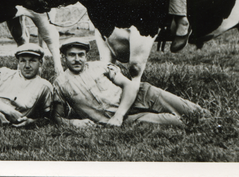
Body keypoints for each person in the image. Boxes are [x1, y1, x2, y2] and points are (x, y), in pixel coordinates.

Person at [52, 38, 205, 128]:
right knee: (175, 122)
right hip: (118, 119)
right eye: (71, 55)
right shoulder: (60, 83)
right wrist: (73, 123)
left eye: (81, 55)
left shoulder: (99, 66)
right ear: (63, 57)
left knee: (193, 111)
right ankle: (198, 126)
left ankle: (214, 122)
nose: (77, 59)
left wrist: (119, 115)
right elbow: (57, 116)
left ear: (86, 56)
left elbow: (129, 85)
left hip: (140, 95)